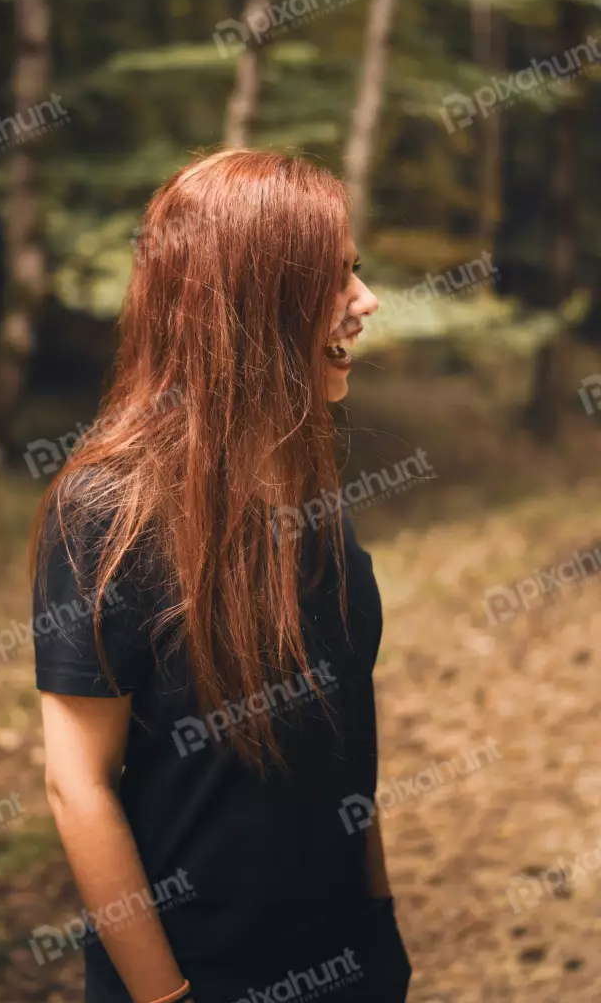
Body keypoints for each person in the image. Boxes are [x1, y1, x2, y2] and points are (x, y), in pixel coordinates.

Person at [31, 149, 412, 1003]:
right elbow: (77, 784)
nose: (366, 301)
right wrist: (166, 997)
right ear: (253, 303)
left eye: (356, 273)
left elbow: (345, 736)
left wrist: (379, 918)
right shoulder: (105, 512)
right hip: (197, 977)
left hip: (348, 961)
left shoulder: (310, 496)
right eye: (336, 279)